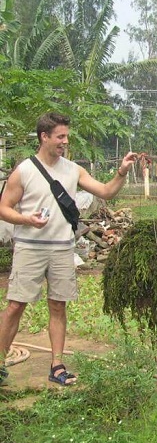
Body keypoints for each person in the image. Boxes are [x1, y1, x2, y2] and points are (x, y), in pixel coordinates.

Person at [0, 112, 138, 386]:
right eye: (60, 136)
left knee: (58, 305)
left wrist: (121, 171)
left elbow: (106, 191)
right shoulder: (24, 170)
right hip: (30, 247)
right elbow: (3, 208)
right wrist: (26, 219)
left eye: (66, 136)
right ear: (44, 137)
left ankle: (57, 365)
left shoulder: (73, 169)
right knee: (16, 305)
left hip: (62, 248)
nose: (65, 141)